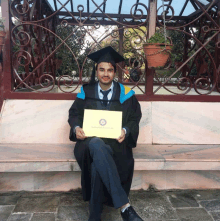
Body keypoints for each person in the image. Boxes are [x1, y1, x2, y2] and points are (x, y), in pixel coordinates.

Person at [68, 46, 143, 221]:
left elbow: (134, 118)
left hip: (115, 145)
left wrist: (126, 130)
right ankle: (125, 206)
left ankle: (94, 216)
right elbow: (74, 115)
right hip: (87, 143)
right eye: (102, 69)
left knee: (97, 164)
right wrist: (76, 128)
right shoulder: (85, 92)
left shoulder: (126, 94)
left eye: (110, 70)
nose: (106, 74)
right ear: (97, 71)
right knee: (95, 143)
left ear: (114, 72)